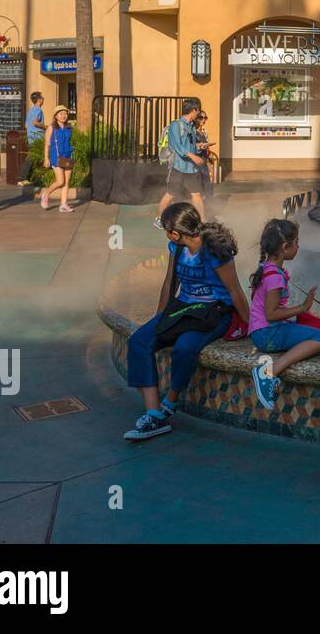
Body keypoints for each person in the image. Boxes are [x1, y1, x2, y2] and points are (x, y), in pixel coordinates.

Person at [124, 202, 249, 441]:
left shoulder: (215, 251)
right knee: (139, 341)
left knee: (185, 347)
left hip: (215, 312)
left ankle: (170, 401)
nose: (167, 235)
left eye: (166, 230)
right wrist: (160, 317)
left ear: (176, 232)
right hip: (184, 309)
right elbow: (170, 282)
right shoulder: (176, 248)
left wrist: (251, 324)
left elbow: (235, 291)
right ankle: (154, 414)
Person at [248, 219, 320, 409]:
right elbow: (271, 314)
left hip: (262, 331)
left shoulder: (268, 267)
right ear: (285, 247)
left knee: (309, 330)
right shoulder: (274, 277)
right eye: (297, 242)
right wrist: (302, 307)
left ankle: (310, 343)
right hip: (267, 335)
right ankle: (269, 372)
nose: (298, 246)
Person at [155, 97, 207, 227]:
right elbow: (176, 146)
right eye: (198, 111)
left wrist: (199, 147)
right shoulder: (175, 125)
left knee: (197, 196)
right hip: (178, 167)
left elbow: (189, 145)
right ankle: (159, 220)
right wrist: (193, 156)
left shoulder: (191, 127)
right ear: (193, 110)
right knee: (170, 194)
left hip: (192, 169)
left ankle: (203, 222)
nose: (199, 115)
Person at [41, 105, 76, 212]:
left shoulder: (69, 127)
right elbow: (47, 144)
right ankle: (46, 194)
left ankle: (63, 204)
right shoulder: (51, 128)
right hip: (56, 156)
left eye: (65, 114)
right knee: (60, 181)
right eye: (61, 114)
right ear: (56, 116)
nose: (63, 116)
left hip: (68, 155)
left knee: (66, 182)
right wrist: (46, 158)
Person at [16, 91, 45, 186]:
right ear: (40, 100)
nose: (43, 100)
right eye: (43, 98)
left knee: (35, 158)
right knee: (32, 158)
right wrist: (47, 127)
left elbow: (26, 125)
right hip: (37, 138)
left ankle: (33, 179)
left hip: (31, 137)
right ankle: (22, 177)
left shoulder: (30, 110)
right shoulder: (38, 110)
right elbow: (35, 123)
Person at [194, 110, 218, 188]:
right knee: (200, 185)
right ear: (195, 118)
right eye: (201, 118)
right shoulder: (192, 132)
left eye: (205, 118)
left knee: (207, 183)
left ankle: (208, 199)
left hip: (204, 160)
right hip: (196, 162)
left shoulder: (204, 132)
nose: (203, 120)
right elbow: (189, 146)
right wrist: (200, 146)